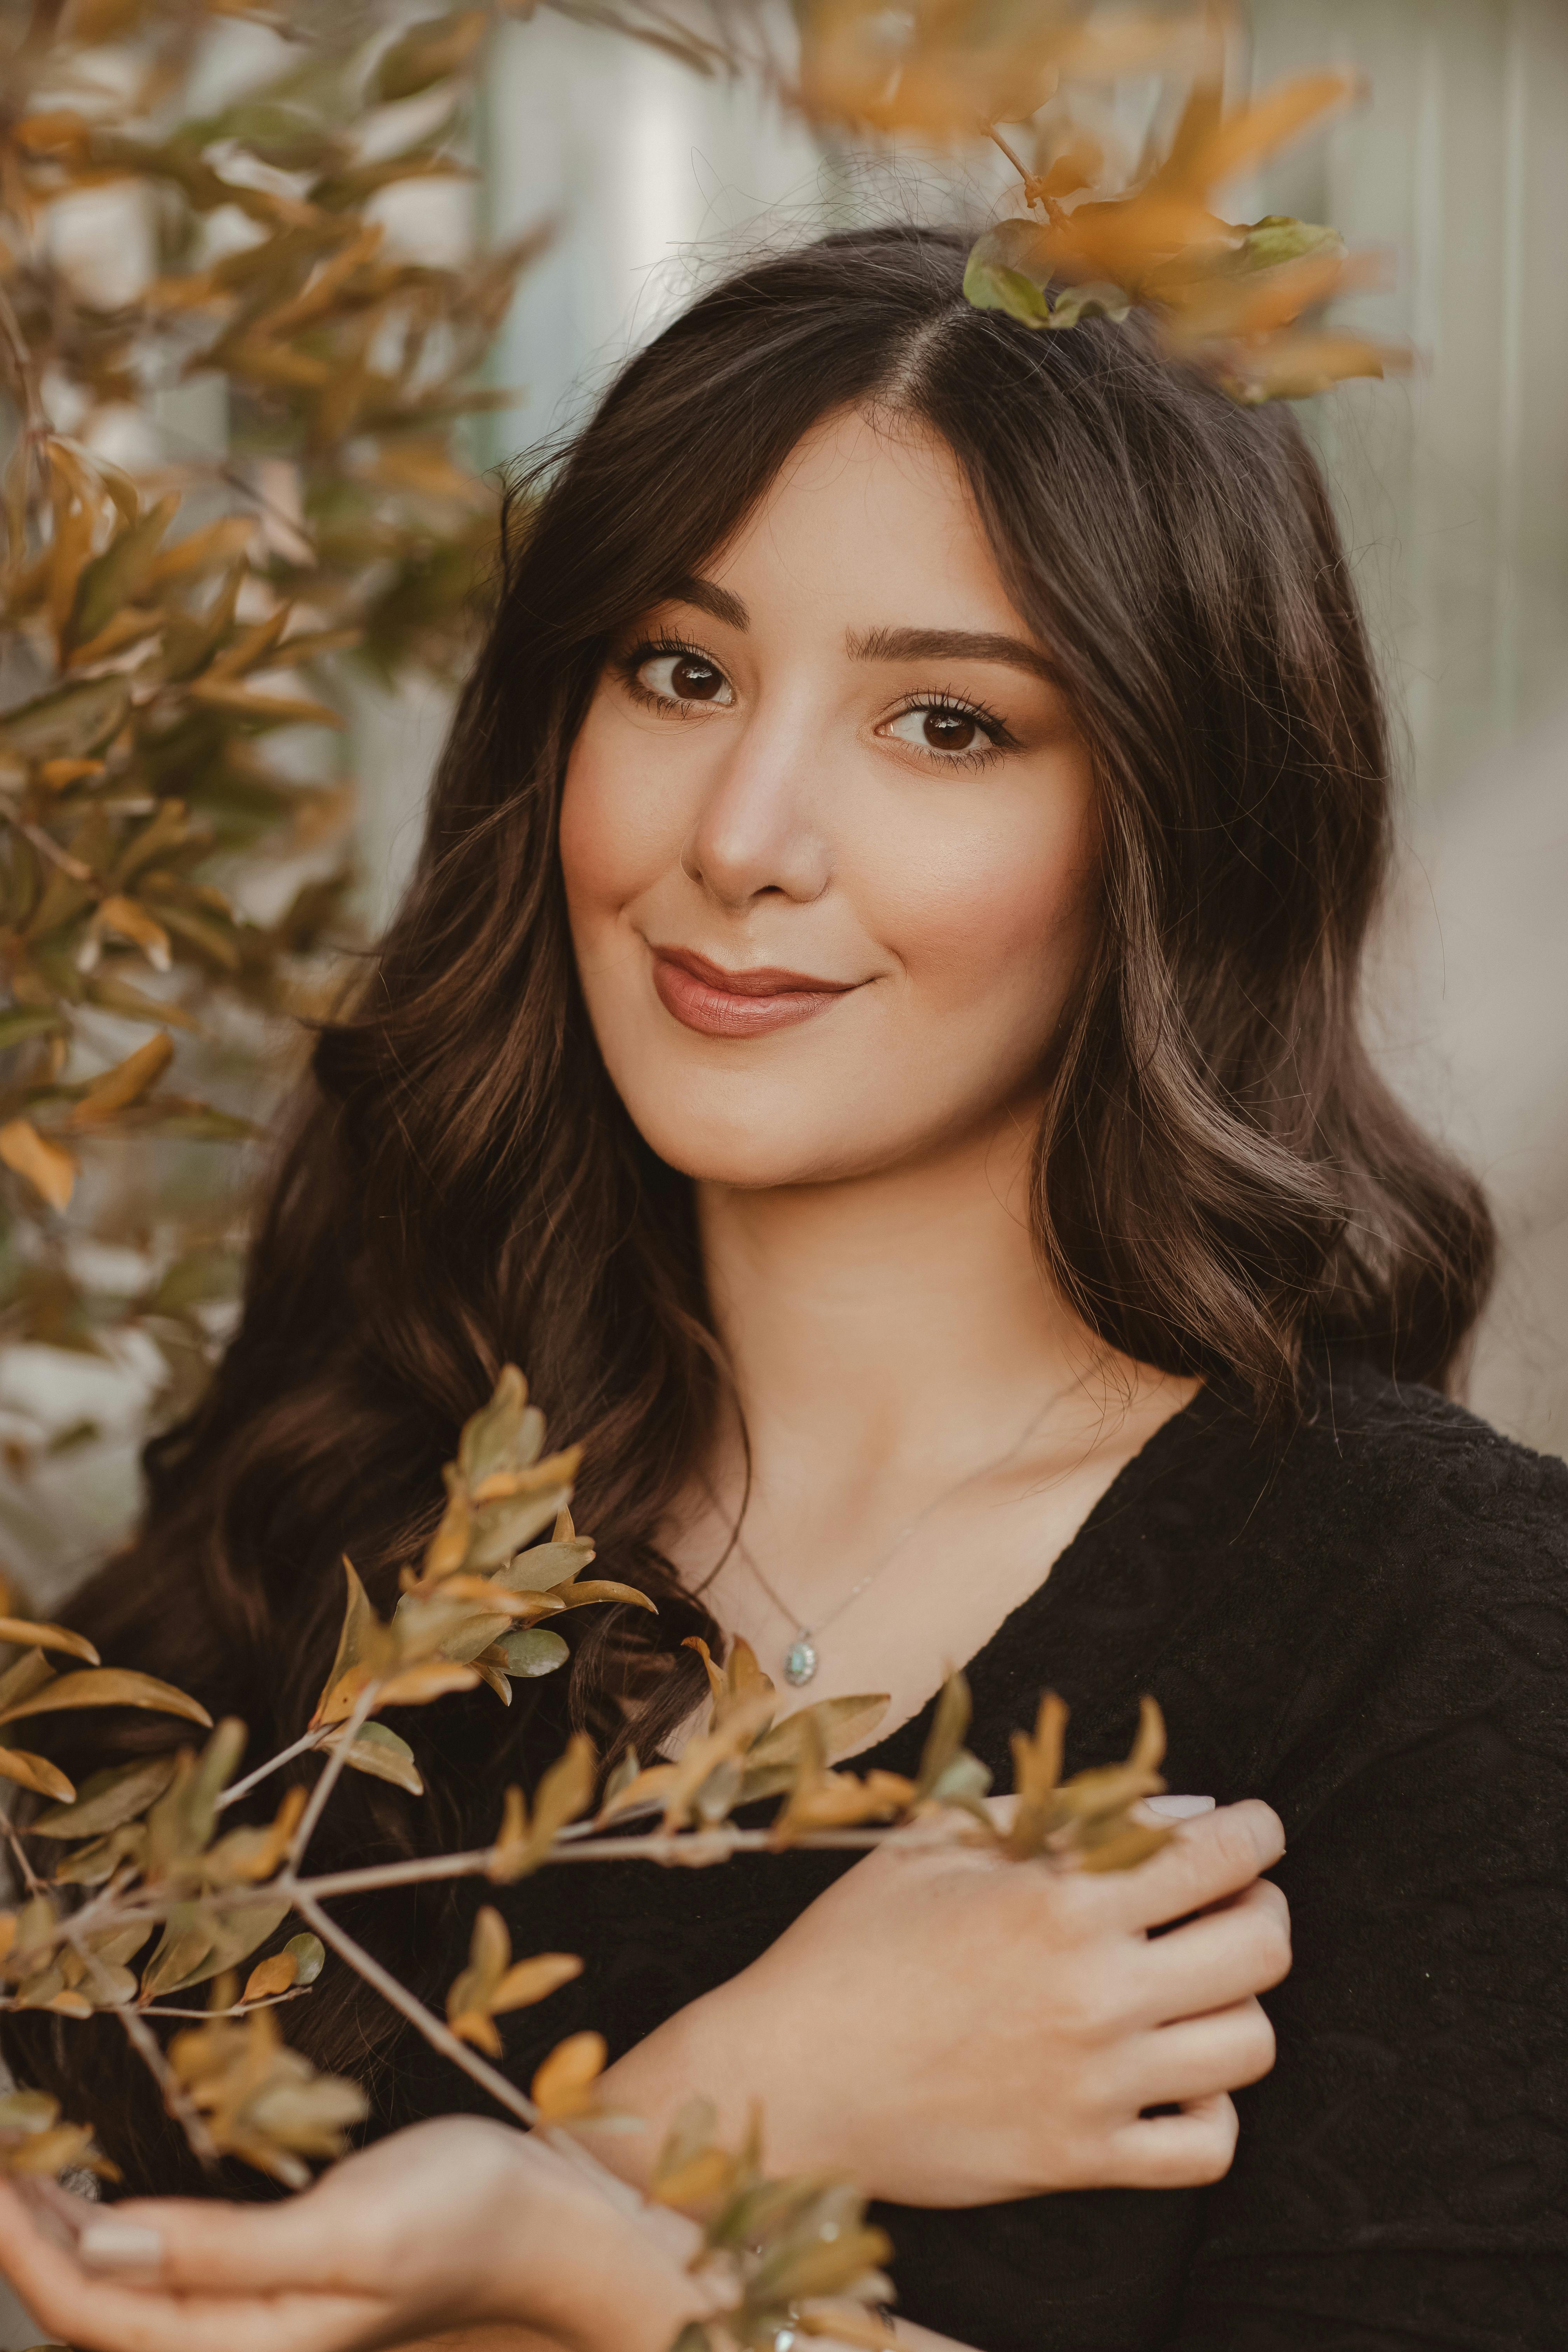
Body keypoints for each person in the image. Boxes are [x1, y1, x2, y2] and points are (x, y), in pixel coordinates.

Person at [1, 225, 1562, 2352]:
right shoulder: (324, 1524)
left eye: (943, 723)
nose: (745, 833)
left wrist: (584, 2251)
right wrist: (722, 2123)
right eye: (681, 670)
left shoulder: (1438, 1635)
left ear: (1171, 832)